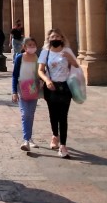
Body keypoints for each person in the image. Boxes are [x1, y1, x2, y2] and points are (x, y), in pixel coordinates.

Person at [37, 28, 79, 159]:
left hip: (65, 87)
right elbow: (40, 70)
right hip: (51, 87)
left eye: (57, 37)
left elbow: (76, 66)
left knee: (63, 116)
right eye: (52, 37)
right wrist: (47, 80)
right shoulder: (45, 53)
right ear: (49, 39)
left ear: (62, 38)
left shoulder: (67, 51)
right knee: (53, 114)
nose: (55, 39)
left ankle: (63, 146)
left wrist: (70, 58)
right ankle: (55, 134)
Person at [11, 37, 41, 151]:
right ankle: (26, 140)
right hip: (22, 88)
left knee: (31, 114)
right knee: (25, 114)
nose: (32, 47)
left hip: (33, 88)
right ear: (24, 47)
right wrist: (14, 91)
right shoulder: (20, 57)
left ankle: (29, 138)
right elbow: (15, 75)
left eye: (34, 45)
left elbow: (39, 72)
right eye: (29, 45)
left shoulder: (37, 58)